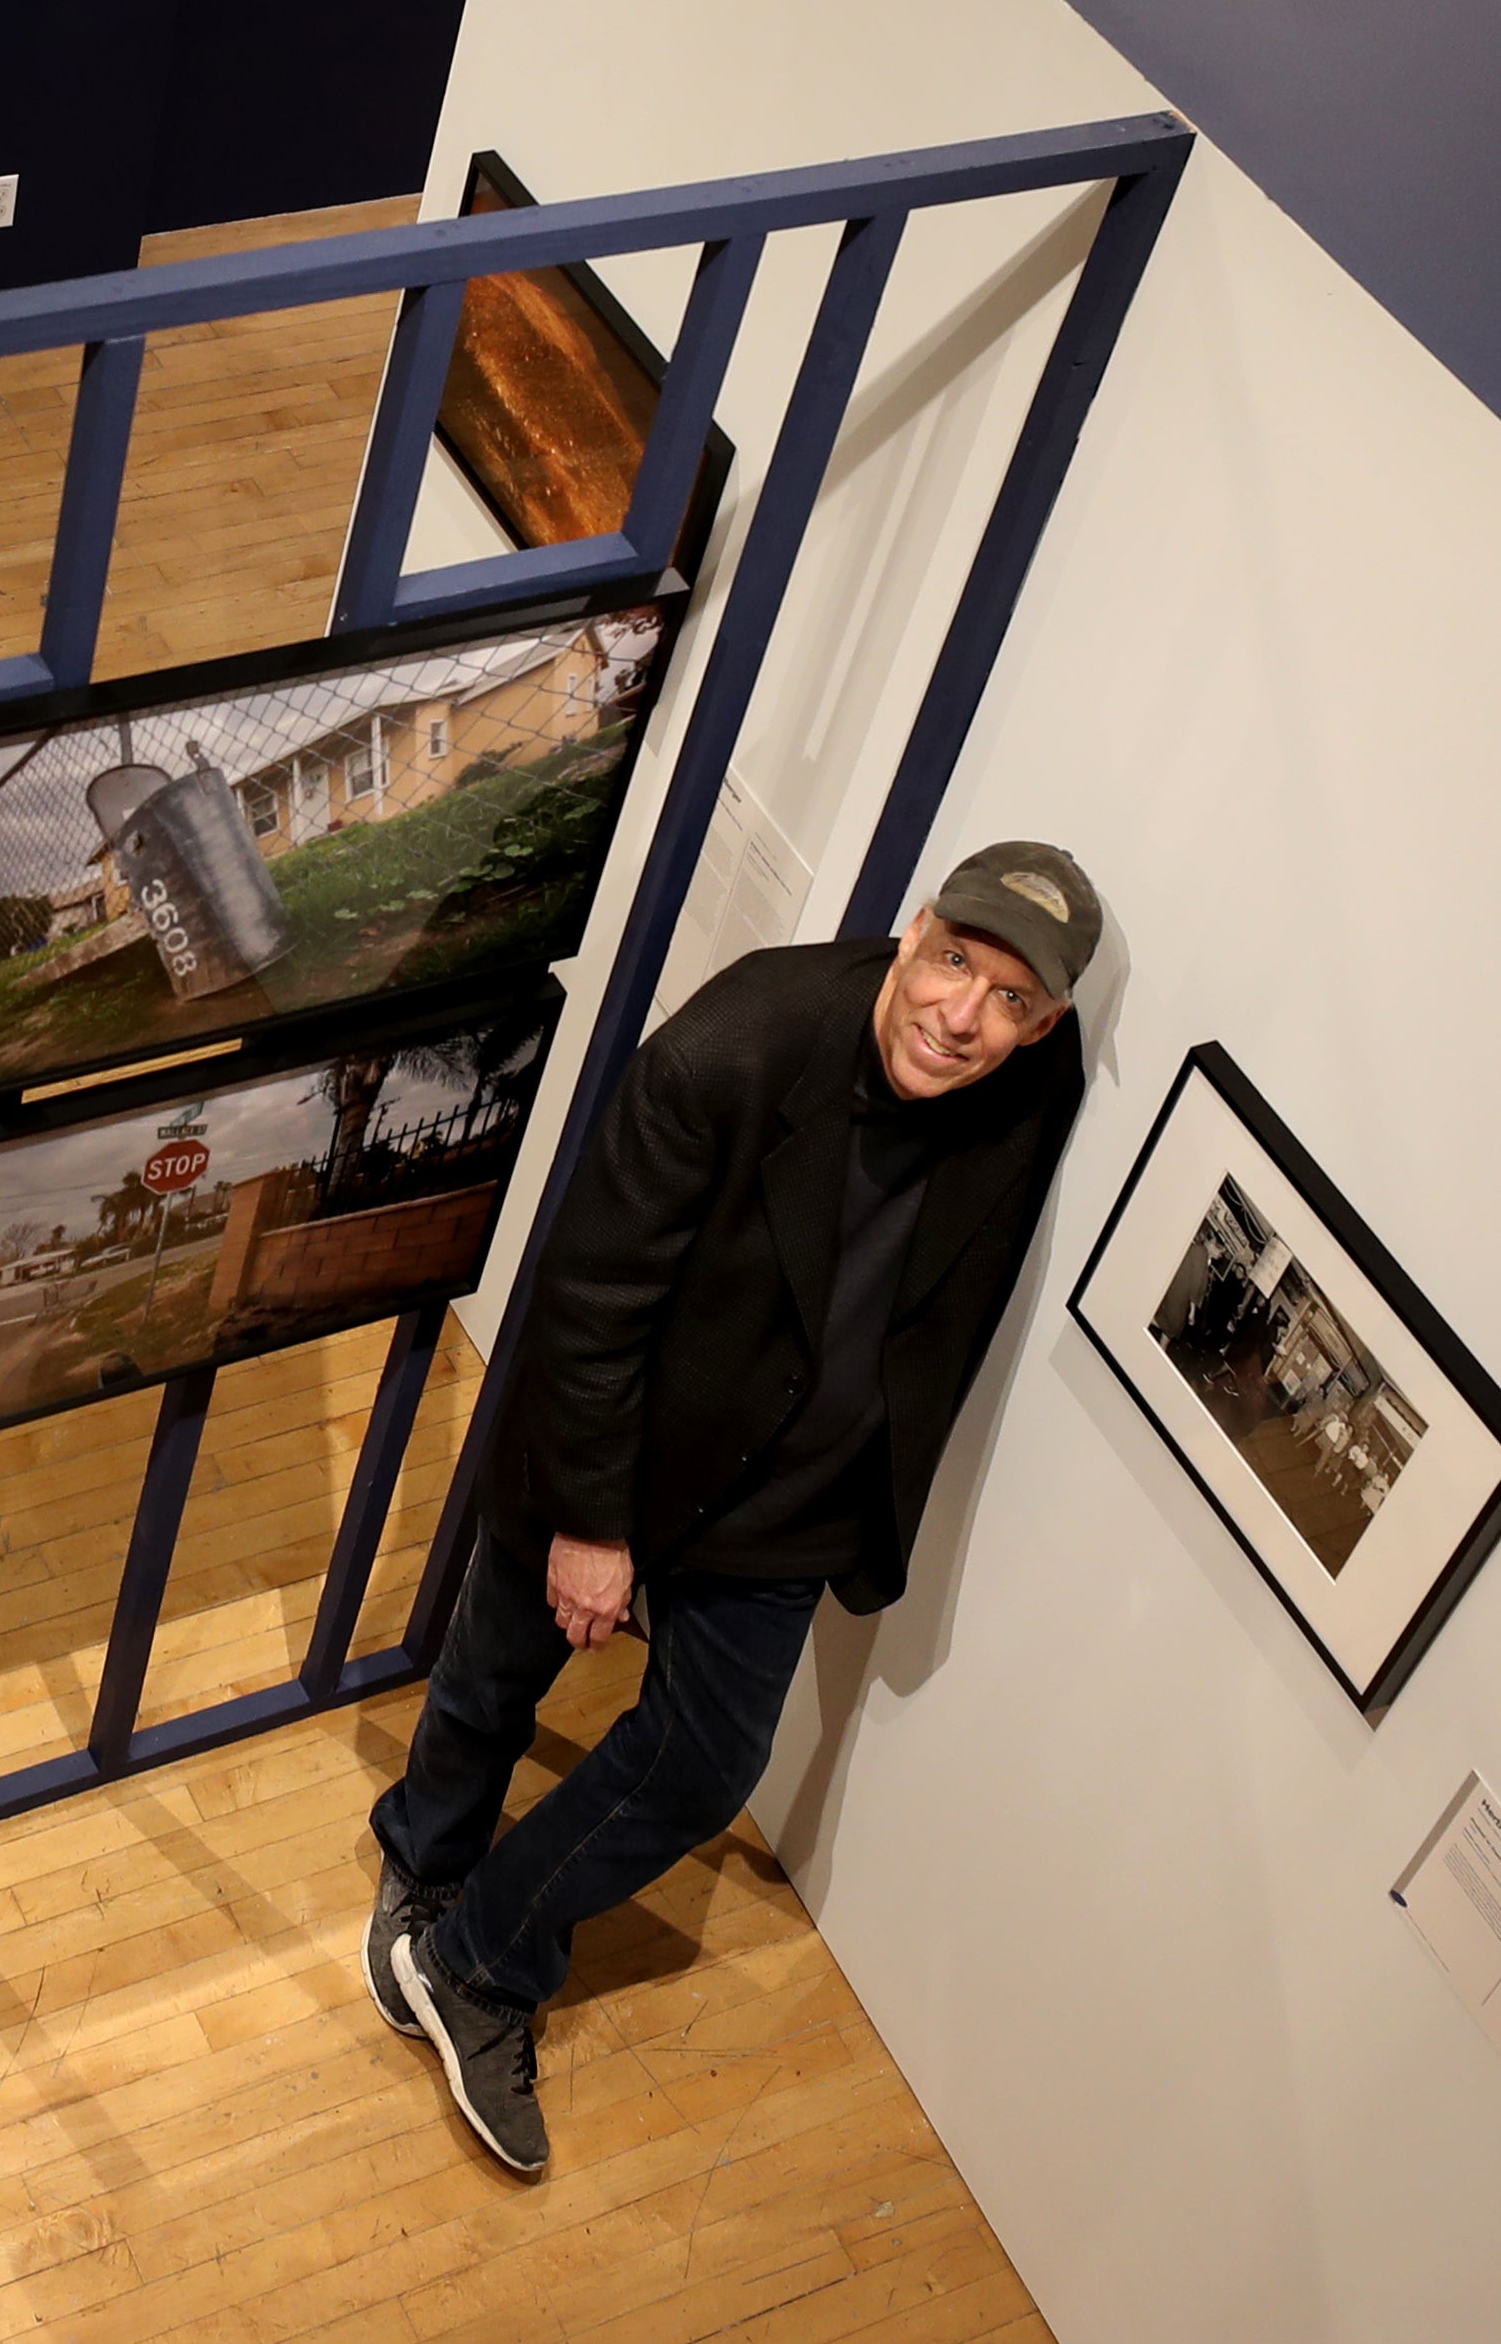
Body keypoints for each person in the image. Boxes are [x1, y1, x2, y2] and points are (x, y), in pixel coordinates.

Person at [366, 841, 1102, 2176]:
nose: (962, 1015)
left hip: (797, 1489)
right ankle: (421, 1857)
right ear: (911, 930)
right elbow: (589, 1307)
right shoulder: (732, 1047)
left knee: (701, 1766)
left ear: (1045, 1020)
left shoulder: (1034, 1075)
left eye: (1008, 998)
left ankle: (472, 1957)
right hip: (622, 1437)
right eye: (953, 962)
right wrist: (593, 1524)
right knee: (498, 1667)